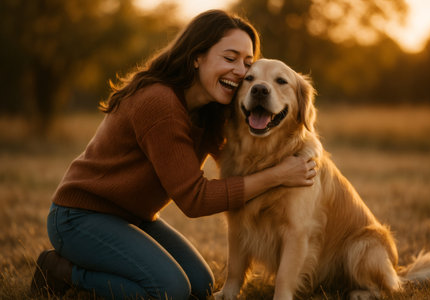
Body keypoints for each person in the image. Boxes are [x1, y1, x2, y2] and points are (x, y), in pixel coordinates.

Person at [30, 9, 317, 300]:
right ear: (197, 57)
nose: (241, 73)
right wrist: (279, 175)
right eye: (230, 59)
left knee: (201, 285)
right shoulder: (159, 103)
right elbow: (195, 199)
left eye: (247, 63)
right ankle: (63, 271)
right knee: (171, 291)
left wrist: (300, 155)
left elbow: (242, 162)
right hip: (79, 217)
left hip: (133, 218)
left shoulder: (212, 110)